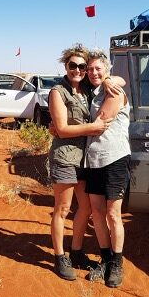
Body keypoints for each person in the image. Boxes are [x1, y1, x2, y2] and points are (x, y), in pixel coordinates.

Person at [49, 44, 124, 281]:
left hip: (85, 159)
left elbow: (114, 80)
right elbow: (60, 128)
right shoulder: (58, 92)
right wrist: (90, 128)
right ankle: (60, 257)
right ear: (66, 66)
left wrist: (112, 79)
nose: (79, 70)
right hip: (65, 158)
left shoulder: (86, 90)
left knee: (87, 208)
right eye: (74, 65)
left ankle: (77, 251)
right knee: (62, 209)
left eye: (83, 66)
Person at [84, 49, 131, 288]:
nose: (93, 72)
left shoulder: (114, 91)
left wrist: (63, 127)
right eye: (90, 69)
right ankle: (105, 258)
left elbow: (99, 124)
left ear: (107, 70)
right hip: (94, 161)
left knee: (113, 214)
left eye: (98, 68)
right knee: (97, 212)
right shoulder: (94, 91)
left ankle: (117, 262)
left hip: (114, 158)